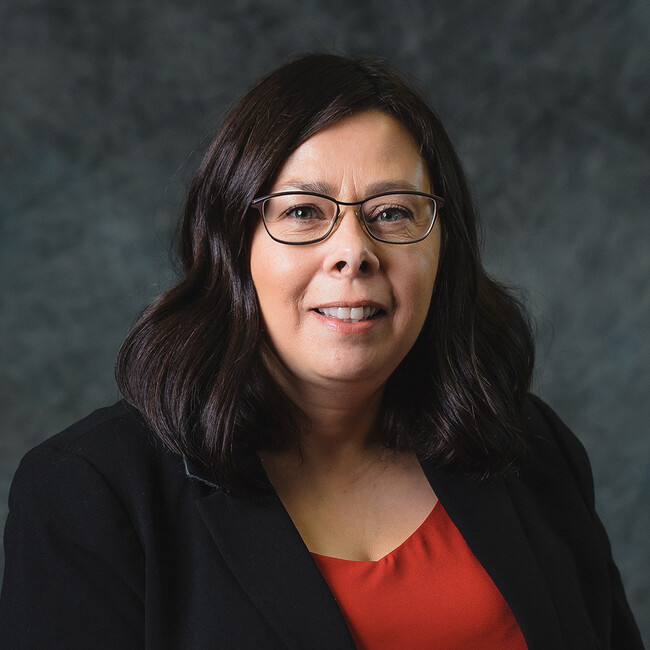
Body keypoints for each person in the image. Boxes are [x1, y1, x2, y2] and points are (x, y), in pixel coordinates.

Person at [0, 53, 643, 649]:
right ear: (232, 246)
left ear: (445, 247)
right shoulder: (89, 492)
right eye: (305, 212)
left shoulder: (528, 448)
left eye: (392, 212)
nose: (353, 250)